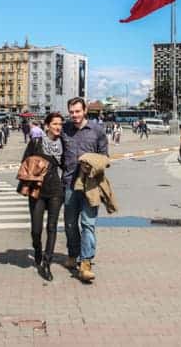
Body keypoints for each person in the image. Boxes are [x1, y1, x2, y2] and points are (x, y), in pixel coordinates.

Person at [62, 97, 108, 282]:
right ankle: (73, 255)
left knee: (88, 224)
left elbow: (105, 157)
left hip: (90, 186)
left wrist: (93, 164)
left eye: (77, 111)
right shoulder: (65, 129)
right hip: (69, 185)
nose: (74, 115)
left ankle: (86, 262)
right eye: (71, 112)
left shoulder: (97, 130)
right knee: (70, 224)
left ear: (85, 110)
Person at [20, 112, 65, 281]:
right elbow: (24, 162)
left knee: (52, 227)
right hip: (37, 191)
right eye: (54, 124)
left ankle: (47, 263)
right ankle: (37, 249)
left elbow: (67, 166)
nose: (58, 127)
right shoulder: (36, 142)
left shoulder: (64, 144)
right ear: (47, 126)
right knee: (36, 229)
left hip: (56, 191)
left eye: (60, 124)